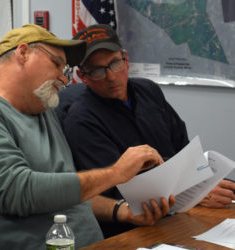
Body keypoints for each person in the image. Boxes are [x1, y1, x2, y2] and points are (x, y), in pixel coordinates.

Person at [0, 24, 168, 250]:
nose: (64, 79)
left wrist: (120, 210)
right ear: (23, 53)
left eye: (65, 71)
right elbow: (18, 193)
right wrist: (115, 173)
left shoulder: (43, 110)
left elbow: (64, 192)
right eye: (57, 64)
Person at [60, 24, 235, 238]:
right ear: (82, 76)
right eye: (97, 71)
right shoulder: (81, 119)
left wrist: (203, 182)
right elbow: (119, 189)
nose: (111, 77)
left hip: (183, 212)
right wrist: (193, 190)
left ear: (126, 59)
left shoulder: (147, 90)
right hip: (134, 227)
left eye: (115, 63)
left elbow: (184, 149)